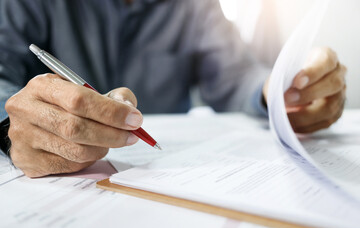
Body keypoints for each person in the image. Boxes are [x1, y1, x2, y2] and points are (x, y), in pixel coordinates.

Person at [0, 0, 346, 177]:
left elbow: (235, 76)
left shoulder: (195, 5)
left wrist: (279, 91)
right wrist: (10, 126)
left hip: (160, 172)